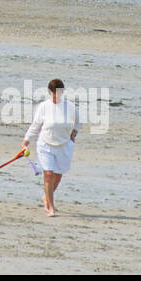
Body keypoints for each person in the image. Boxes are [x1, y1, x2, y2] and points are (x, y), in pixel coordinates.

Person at [23, 78, 80, 216]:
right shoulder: (43, 107)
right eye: (54, 93)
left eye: (59, 93)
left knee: (58, 176)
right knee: (48, 174)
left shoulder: (70, 107)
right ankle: (50, 207)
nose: (57, 96)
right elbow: (36, 125)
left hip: (64, 145)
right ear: (50, 92)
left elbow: (78, 122)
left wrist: (73, 135)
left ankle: (46, 197)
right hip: (45, 145)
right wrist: (26, 142)